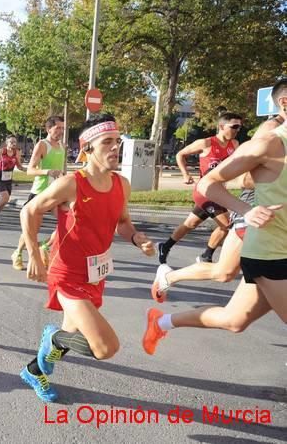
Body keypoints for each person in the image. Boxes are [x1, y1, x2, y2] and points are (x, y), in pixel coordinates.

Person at [144, 80, 287, 354]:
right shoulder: (268, 140)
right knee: (223, 271)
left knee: (234, 320)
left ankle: (162, 322)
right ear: (284, 103)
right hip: (270, 251)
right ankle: (168, 276)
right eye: (233, 126)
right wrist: (247, 209)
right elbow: (210, 183)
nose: (237, 129)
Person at [19, 114, 155, 402]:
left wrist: (136, 238)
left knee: (70, 338)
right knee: (105, 347)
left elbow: (123, 222)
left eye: (117, 141)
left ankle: (34, 371)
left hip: (96, 273)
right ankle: (52, 337)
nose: (115, 148)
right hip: (67, 275)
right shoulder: (72, 183)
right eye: (107, 142)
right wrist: (34, 256)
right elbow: (29, 212)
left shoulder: (122, 184)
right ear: (87, 149)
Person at [157, 113, 242, 265]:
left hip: (220, 193)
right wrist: (185, 174)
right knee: (228, 224)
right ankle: (206, 256)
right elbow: (180, 154)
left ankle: (165, 246)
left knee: (190, 224)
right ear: (222, 127)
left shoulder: (234, 145)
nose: (237, 130)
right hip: (206, 192)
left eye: (239, 127)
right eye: (234, 126)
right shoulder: (206, 143)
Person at [11, 116, 66, 271]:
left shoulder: (62, 145)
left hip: (56, 192)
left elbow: (60, 169)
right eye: (58, 128)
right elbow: (30, 170)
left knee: (67, 223)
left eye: (62, 128)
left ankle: (45, 247)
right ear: (49, 129)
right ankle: (18, 253)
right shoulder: (42, 145)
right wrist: (48, 171)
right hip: (40, 192)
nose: (61, 131)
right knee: (31, 230)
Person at [0, 135, 24, 227]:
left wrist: (27, 169)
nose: (13, 144)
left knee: (5, 201)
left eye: (15, 142)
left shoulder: (17, 153)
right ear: (7, 143)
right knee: (5, 197)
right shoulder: (1, 151)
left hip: (8, 179)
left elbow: (19, 165)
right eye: (11, 142)